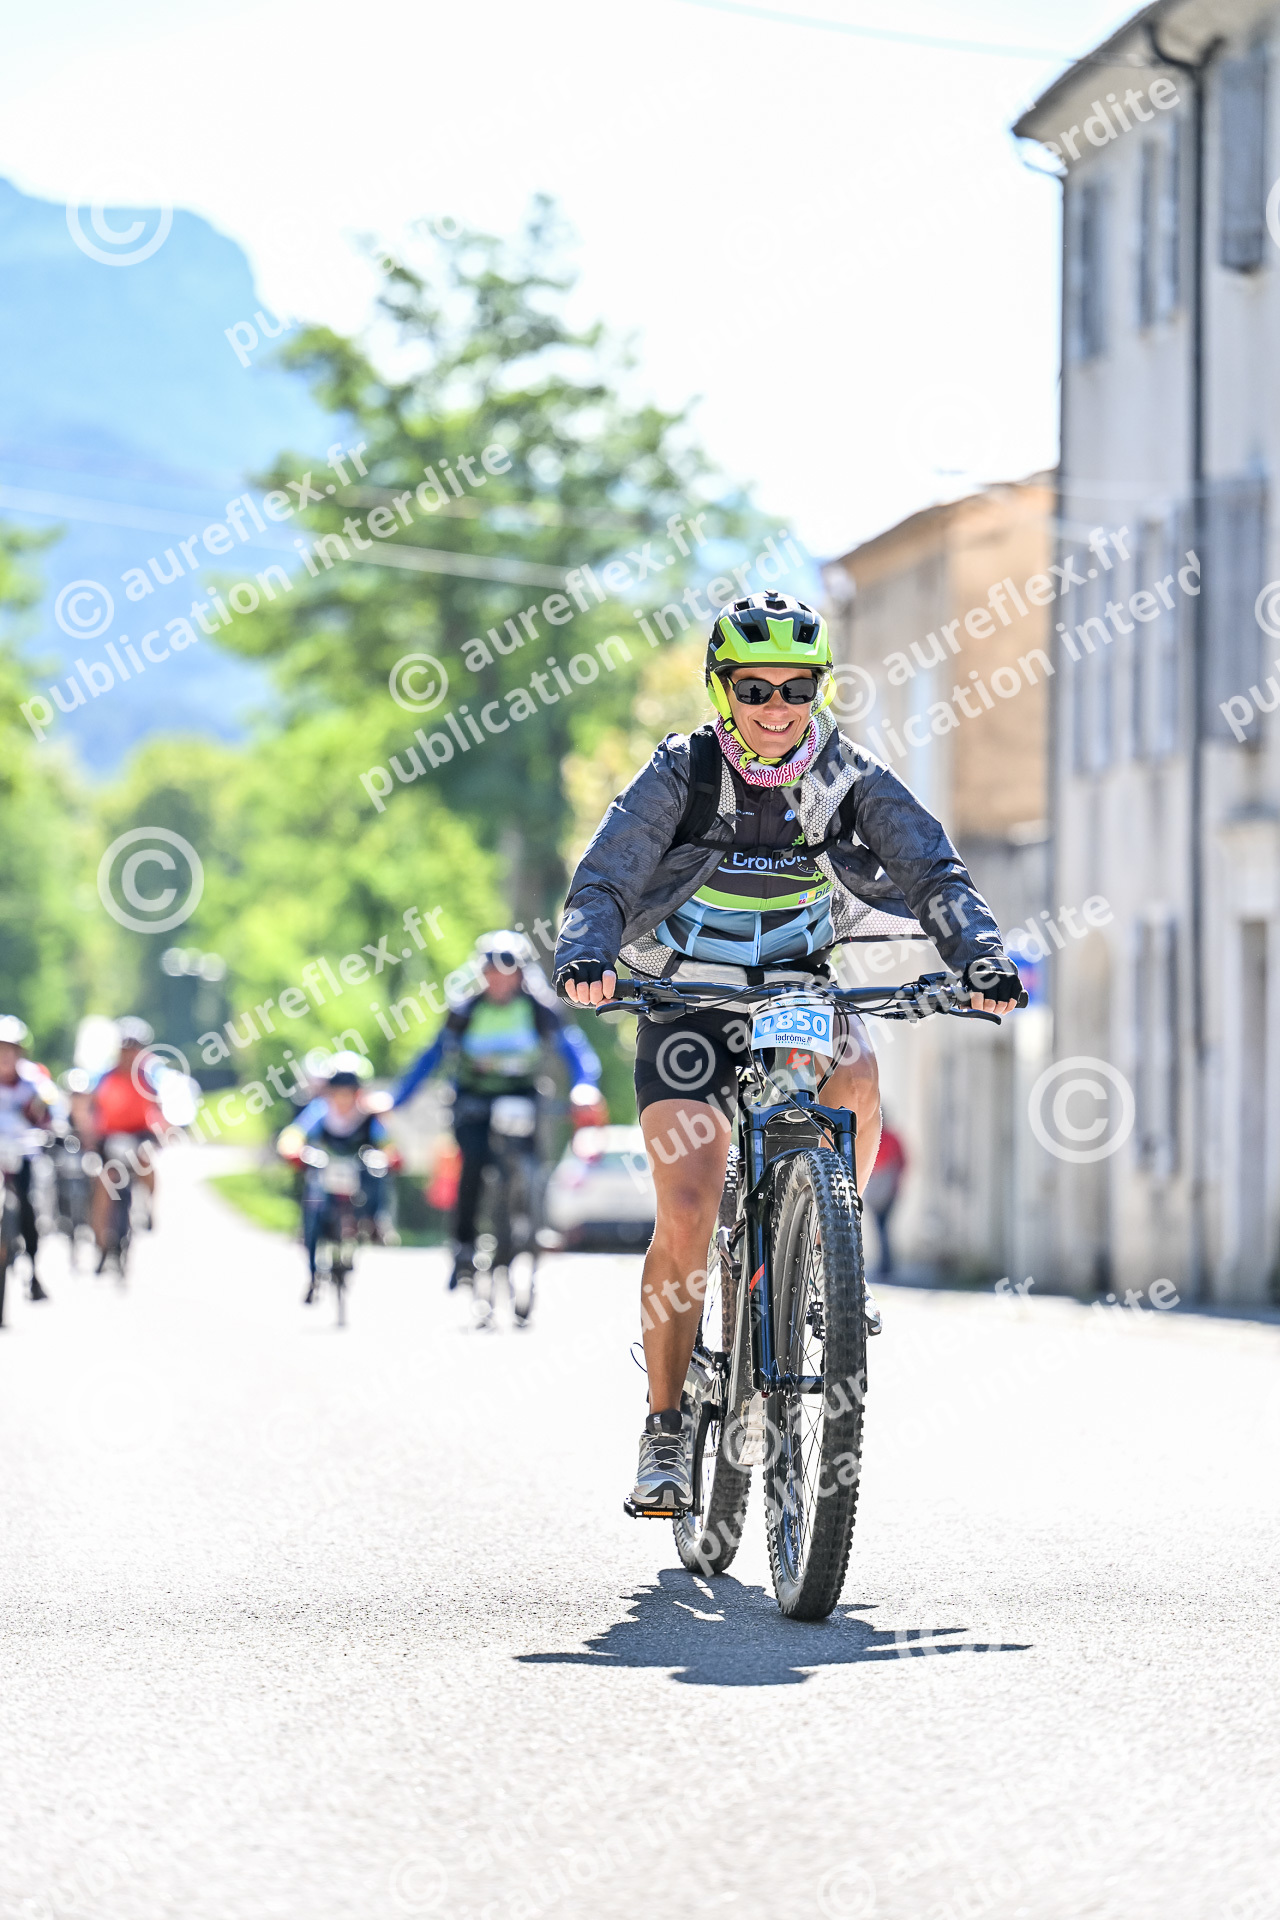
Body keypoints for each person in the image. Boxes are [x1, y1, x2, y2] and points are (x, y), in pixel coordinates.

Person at [553, 590, 1022, 1513]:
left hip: (796, 992)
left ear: (818, 690)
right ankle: (665, 1428)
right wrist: (587, 954)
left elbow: (931, 868)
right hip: (686, 1002)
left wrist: (980, 956)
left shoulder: (846, 774)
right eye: (756, 688)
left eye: (797, 688)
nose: (777, 708)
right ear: (721, 689)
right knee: (688, 1207)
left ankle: (827, 1246)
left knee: (860, 1073)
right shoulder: (682, 773)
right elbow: (606, 876)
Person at [390, 931, 601, 1288]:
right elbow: (432, 1055)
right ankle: (463, 1246)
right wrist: (396, 1099)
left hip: (522, 1096)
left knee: (533, 1157)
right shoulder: (465, 1010)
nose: (499, 981)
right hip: (474, 1099)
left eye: (508, 973)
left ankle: (533, 1218)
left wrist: (585, 1087)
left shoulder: (539, 1010)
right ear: (481, 974)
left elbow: (574, 1050)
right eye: (491, 973)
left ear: (521, 975)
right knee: (473, 1162)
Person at [279, 1055, 397, 1305]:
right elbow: (295, 1133)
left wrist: (390, 1156)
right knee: (312, 1208)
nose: (343, 1099)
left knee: (377, 1173)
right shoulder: (320, 1111)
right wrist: (292, 1149)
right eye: (338, 1091)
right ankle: (313, 1275)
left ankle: (374, 1222)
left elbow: (387, 1144)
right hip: (325, 1170)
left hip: (357, 1173)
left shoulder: (368, 1115)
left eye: (349, 1092)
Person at [87, 1019, 162, 1269]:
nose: (130, 1055)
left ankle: (149, 1206)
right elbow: (91, 1109)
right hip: (110, 1136)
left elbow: (160, 1110)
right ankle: (100, 1241)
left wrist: (161, 1132)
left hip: (140, 1134)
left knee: (146, 1159)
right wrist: (90, 1136)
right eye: (126, 1049)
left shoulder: (149, 1078)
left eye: (135, 1049)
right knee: (103, 1182)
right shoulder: (105, 1077)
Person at [0, 1015, 56, 1302]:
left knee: (27, 1207)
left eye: (10, 1050)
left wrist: (47, 1123)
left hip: (21, 1153)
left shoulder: (33, 1082)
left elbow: (50, 1112)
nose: (5, 1057)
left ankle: (33, 1271)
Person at [863, 1113, 907, 1279]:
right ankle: (885, 1265)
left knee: (881, 1228)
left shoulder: (880, 1137)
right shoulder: (891, 1138)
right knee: (882, 1228)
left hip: (882, 1191)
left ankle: (885, 1266)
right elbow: (903, 1162)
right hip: (886, 1191)